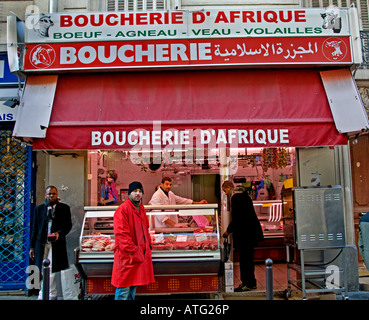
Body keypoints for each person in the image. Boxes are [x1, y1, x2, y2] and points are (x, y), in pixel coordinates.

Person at [111, 181, 154, 300]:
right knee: (123, 290)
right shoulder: (122, 209)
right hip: (127, 257)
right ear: (129, 193)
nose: (138, 194)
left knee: (132, 290)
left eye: (140, 191)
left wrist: (148, 245)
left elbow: (145, 228)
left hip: (138, 256)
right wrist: (134, 251)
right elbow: (121, 235)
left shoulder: (141, 208)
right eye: (135, 191)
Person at [29, 186, 72, 300]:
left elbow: (68, 225)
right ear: (45, 195)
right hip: (41, 243)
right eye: (49, 194)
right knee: (42, 268)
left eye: (54, 194)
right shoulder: (39, 209)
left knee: (50, 267)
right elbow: (34, 229)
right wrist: (32, 246)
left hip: (56, 244)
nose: (51, 196)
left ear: (57, 195)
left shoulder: (64, 208)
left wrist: (59, 234)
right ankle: (50, 292)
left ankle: (45, 294)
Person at [222, 180, 264, 292]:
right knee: (248, 259)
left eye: (225, 191)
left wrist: (228, 231)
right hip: (249, 233)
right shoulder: (243, 195)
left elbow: (238, 218)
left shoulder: (236, 198)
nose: (225, 193)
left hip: (246, 234)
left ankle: (247, 283)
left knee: (245, 260)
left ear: (229, 187)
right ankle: (250, 282)